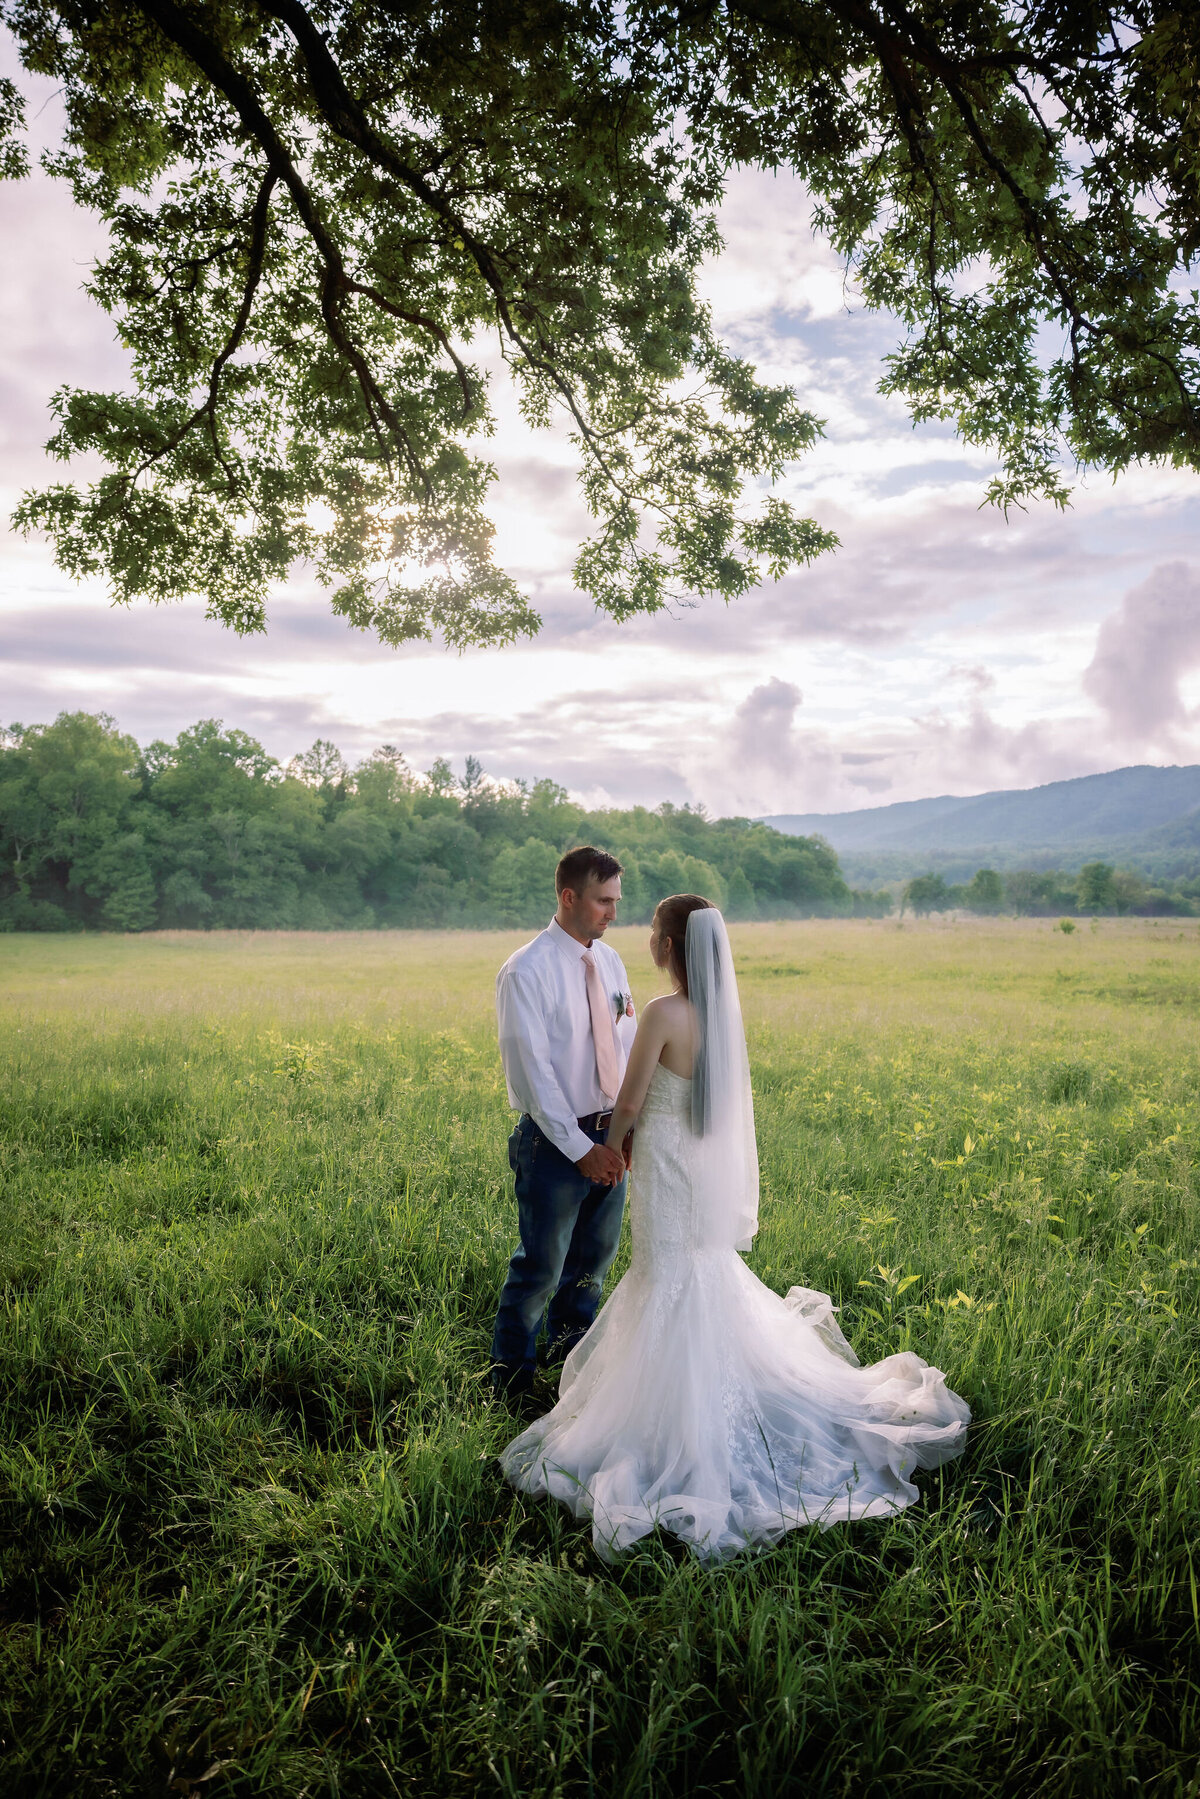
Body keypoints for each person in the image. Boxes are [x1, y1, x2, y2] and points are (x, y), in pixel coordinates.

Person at [500, 893, 971, 1562]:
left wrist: (615, 1143)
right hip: (694, 1161)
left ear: (669, 947)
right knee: (699, 1266)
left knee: (666, 1271)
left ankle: (667, 1416)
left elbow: (629, 1100)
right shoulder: (720, 1017)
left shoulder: (664, 1012)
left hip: (663, 1162)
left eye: (656, 933)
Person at [490, 846, 637, 1406]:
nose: (612, 913)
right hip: (555, 1144)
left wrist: (625, 1133)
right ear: (568, 897)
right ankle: (512, 1383)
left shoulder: (612, 963)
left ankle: (570, 1370)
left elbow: (625, 1043)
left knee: (591, 1268)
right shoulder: (525, 971)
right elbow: (533, 1075)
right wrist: (580, 1149)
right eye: (603, 901)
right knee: (540, 1269)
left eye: (617, 901)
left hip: (611, 1134)